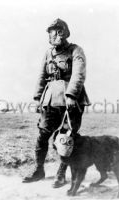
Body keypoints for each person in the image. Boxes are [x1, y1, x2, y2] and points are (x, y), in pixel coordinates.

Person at [22, 18, 90, 188]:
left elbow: (78, 75)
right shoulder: (48, 53)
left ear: (64, 33)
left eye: (58, 31)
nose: (54, 35)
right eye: (52, 32)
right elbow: (42, 76)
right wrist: (38, 98)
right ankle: (39, 170)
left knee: (66, 138)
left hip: (71, 100)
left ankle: (61, 174)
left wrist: (71, 95)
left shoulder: (76, 50)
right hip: (50, 99)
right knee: (43, 135)